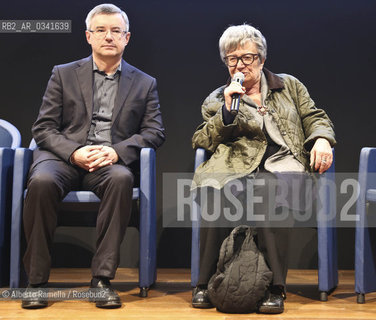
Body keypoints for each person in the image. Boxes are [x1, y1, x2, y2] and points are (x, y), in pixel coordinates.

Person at [21, 3, 165, 309]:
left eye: (116, 31)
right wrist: (74, 152)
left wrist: (116, 151)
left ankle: (101, 280)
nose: (108, 36)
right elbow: (43, 128)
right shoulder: (62, 74)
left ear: (127, 38)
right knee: (41, 183)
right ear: (89, 36)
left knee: (122, 179)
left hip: (108, 161)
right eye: (101, 30)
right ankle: (35, 281)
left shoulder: (144, 83)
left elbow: (154, 132)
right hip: (63, 157)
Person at [191, 24, 335, 314]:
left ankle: (275, 288)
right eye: (233, 59)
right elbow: (201, 139)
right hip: (236, 165)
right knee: (213, 190)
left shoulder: (289, 85)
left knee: (270, 190)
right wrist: (227, 111)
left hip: (284, 161)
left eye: (248, 57)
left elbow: (315, 116)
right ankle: (204, 284)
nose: (240, 64)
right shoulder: (218, 98)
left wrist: (321, 138)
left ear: (262, 59)